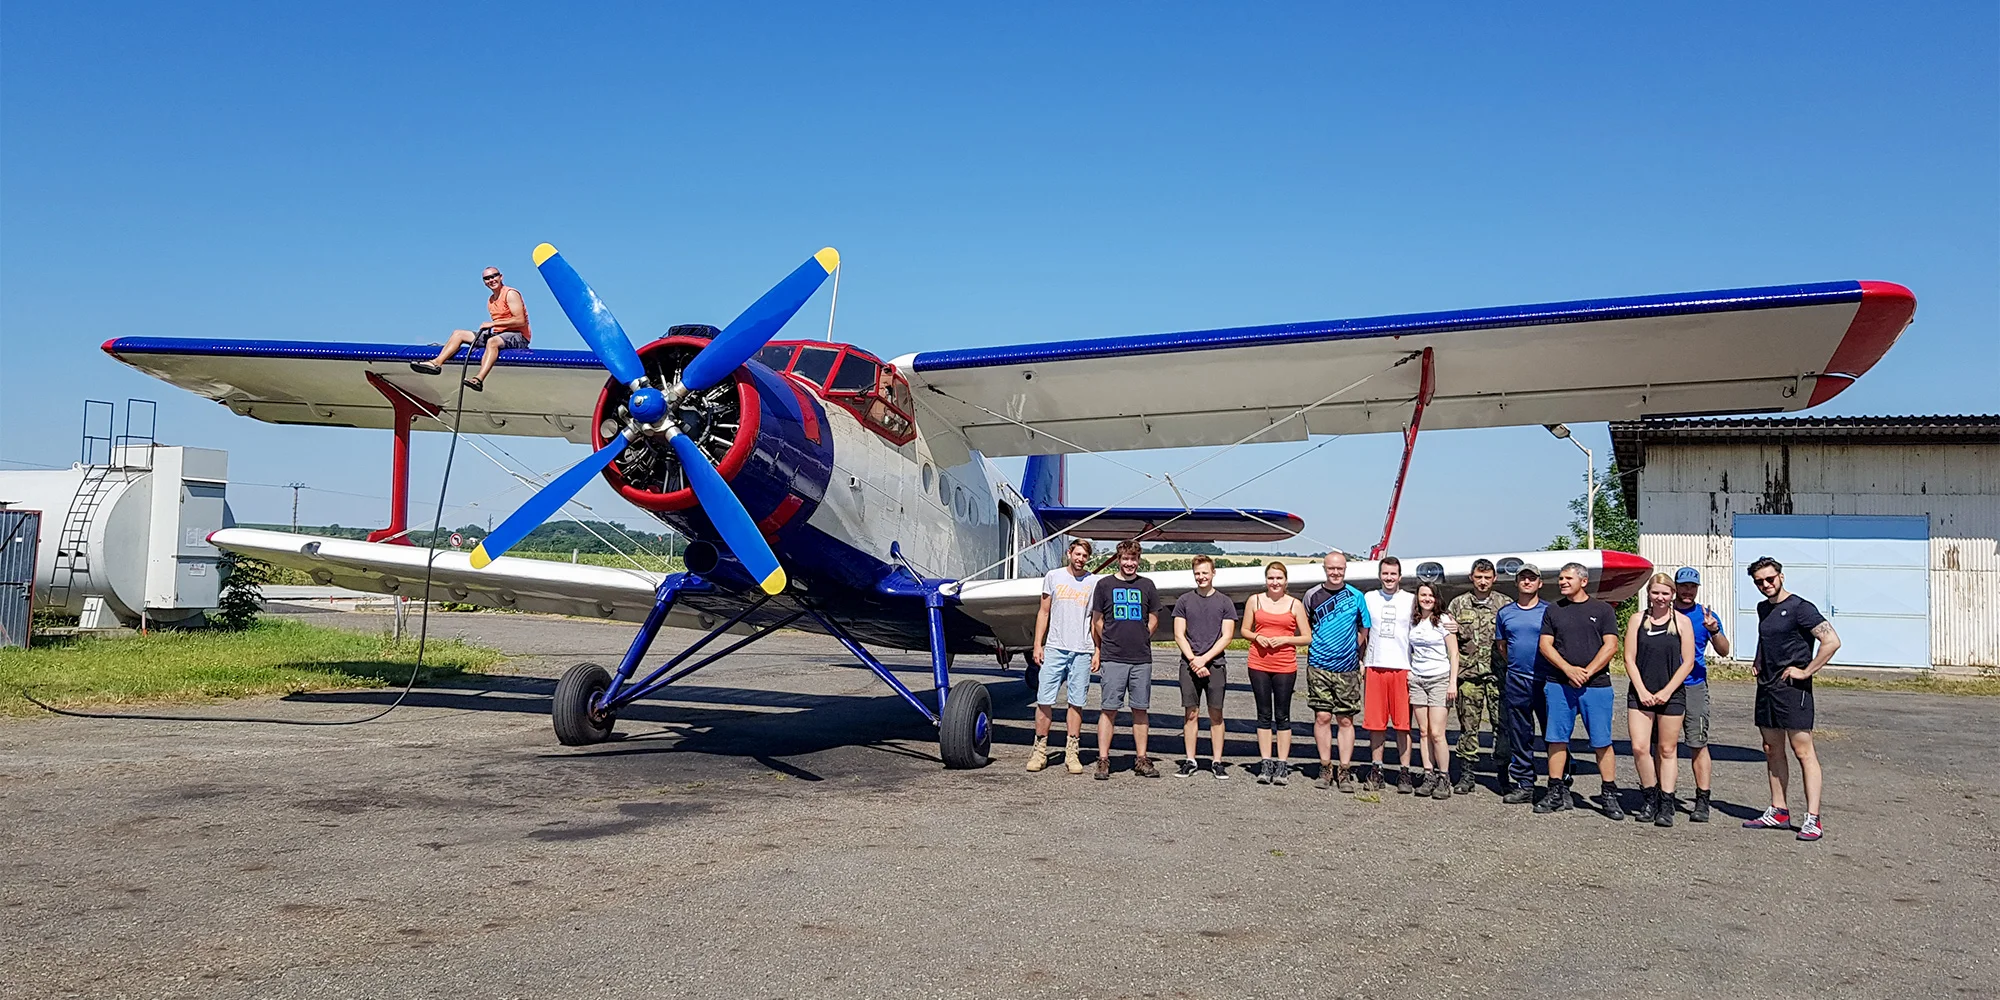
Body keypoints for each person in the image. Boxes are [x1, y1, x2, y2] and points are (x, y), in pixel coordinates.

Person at [1742, 557, 1842, 842]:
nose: (1765, 585)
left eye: (1770, 579)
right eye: (1759, 581)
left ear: (1781, 577)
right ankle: (1778, 810)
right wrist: (1758, 659)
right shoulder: (1763, 608)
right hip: (1767, 687)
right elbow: (1766, 637)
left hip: (1792, 690)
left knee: (1803, 751)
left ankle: (1813, 819)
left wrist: (1806, 671)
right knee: (1771, 748)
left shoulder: (1801, 608)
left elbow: (1832, 641)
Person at [1534, 562, 1625, 819]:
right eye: (1561, 578)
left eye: (1567, 578)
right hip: (1559, 684)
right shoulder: (1554, 610)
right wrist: (1568, 670)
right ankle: (1555, 789)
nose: (1562, 582)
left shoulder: (1602, 609)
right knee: (1556, 739)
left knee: (1601, 741)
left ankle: (1608, 794)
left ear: (1583, 581)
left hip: (1595, 686)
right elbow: (1545, 645)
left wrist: (1587, 671)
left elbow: (1611, 645)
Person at [1624, 573, 1697, 827]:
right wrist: (1642, 690)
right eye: (1656, 592)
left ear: (1672, 595)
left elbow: (1688, 662)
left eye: (1665, 593)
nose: (1660, 598)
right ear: (1649, 594)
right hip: (1640, 692)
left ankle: (1667, 803)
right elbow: (1629, 659)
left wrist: (1667, 691)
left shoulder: (1683, 622)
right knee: (1640, 747)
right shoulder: (1637, 620)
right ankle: (1649, 797)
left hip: (1671, 693)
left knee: (1667, 749)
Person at [1027, 539, 1099, 775]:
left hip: (1082, 649)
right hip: (1055, 647)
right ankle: (1039, 749)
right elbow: (1043, 611)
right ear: (1069, 553)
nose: (1080, 559)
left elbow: (1096, 620)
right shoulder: (1053, 577)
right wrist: (1038, 644)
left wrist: (1097, 649)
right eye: (1077, 554)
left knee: (1076, 702)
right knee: (1044, 700)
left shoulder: (1093, 582)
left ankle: (1072, 750)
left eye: (1084, 556)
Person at [1092, 539, 1161, 780]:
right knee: (1109, 708)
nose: (1129, 563)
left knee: (1140, 709)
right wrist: (1107, 641)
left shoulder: (1147, 585)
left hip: (1141, 657)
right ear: (1118, 560)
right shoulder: (1104, 585)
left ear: (1138, 561)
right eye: (1125, 559)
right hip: (1113, 657)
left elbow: (1153, 617)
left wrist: (1143, 635)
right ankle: (1103, 759)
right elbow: (1097, 620)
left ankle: (1141, 758)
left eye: (1133, 559)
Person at [1303, 552, 1371, 792]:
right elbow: (1307, 626)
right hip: (1319, 665)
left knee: (1345, 719)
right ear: (1324, 569)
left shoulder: (1356, 596)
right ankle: (1325, 766)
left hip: (1347, 668)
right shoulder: (1311, 595)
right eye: (1331, 569)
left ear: (1345, 569)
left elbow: (1364, 628)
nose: (1335, 573)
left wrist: (1354, 647)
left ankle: (1344, 769)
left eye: (1339, 569)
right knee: (1322, 717)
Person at [1243, 561, 1311, 785]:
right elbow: (1244, 629)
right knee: (1263, 714)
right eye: (1271, 578)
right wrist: (1256, 637)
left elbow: (1306, 637)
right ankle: (1265, 761)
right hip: (1259, 662)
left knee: (1282, 715)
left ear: (1286, 581)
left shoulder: (1295, 604)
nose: (1275, 582)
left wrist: (1285, 639)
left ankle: (1282, 763)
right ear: (1266, 580)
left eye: (1279, 578)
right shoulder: (1255, 600)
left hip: (1284, 664)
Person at [1672, 567, 1731, 822]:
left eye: (1692, 587)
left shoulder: (1705, 615)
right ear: (1675, 587)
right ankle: (1661, 797)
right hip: (1666, 687)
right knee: (1664, 746)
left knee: (1697, 743)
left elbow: (1724, 651)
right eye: (1683, 586)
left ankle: (1702, 800)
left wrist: (1715, 630)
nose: (1688, 591)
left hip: (1694, 684)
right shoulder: (1662, 613)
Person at [411, 266, 532, 391]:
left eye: (494, 276)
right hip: (499, 334)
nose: (491, 280)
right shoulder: (491, 300)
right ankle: (436, 363)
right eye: (487, 278)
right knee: (458, 333)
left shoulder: (510, 293)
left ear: (501, 277)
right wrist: (492, 329)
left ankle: (478, 379)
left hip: (518, 336)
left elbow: (520, 320)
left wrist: (492, 324)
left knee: (492, 342)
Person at [1172, 555, 1239, 778]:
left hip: (1216, 664)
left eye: (1205, 573)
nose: (1201, 577)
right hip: (1189, 664)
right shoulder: (1184, 601)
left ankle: (1217, 760)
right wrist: (1193, 659)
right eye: (1198, 573)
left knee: (1216, 714)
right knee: (1191, 713)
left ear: (1213, 573)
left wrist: (1204, 659)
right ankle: (1190, 760)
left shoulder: (1224, 602)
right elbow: (1179, 634)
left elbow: (1227, 636)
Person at [1447, 558, 1508, 795]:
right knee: (1468, 727)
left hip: (1496, 677)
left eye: (1487, 577)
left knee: (1502, 727)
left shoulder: (1505, 604)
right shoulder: (1458, 604)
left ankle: (1503, 774)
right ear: (1471, 577)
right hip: (1469, 676)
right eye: (1478, 577)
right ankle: (1466, 774)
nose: (1483, 582)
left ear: (1494, 579)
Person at [1493, 565, 1551, 803]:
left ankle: (1560, 782)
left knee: (1553, 733)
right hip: (1517, 679)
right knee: (1520, 733)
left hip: (1546, 680)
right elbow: (1502, 646)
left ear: (1539, 583)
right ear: (1517, 583)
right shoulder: (1505, 613)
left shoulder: (1550, 611)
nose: (1527, 582)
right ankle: (1525, 783)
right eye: (1523, 579)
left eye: (1532, 579)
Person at [1362, 556, 1417, 793]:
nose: (1389, 578)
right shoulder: (1370, 598)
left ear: (1400, 577)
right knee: (1376, 724)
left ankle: (1404, 772)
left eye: (1393, 574)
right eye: (1385, 574)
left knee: (1403, 725)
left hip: (1403, 666)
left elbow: (1428, 623)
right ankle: (1377, 768)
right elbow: (1362, 630)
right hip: (1375, 665)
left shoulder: (1411, 600)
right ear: (1379, 575)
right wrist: (1361, 660)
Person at [1406, 580, 1461, 800]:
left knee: (1438, 733)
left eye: (1430, 595)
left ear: (1436, 598)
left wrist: (1452, 682)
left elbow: (1454, 653)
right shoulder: (1414, 621)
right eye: (1422, 595)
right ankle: (1428, 773)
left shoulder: (1444, 621)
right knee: (1424, 731)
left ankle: (1443, 776)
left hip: (1439, 679)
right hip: (1417, 679)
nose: (1427, 599)